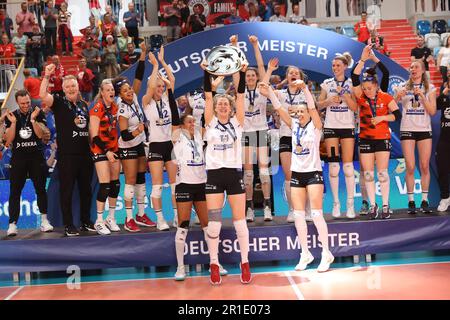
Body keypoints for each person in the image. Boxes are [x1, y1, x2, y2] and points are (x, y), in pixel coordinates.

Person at [262, 80, 335, 272]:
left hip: (313, 174)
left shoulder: (316, 127)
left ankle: (326, 253)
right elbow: (278, 108)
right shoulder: (293, 125)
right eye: (298, 112)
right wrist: (269, 92)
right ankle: (305, 253)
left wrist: (305, 90)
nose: (300, 113)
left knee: (317, 214)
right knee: (299, 215)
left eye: (303, 111)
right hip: (297, 175)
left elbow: (312, 107)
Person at [201, 60, 252, 285]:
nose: (222, 106)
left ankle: (245, 262)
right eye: (219, 103)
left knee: (240, 221)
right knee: (214, 223)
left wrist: (240, 72)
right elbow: (208, 96)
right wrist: (206, 73)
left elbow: (241, 97)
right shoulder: (210, 123)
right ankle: (214, 262)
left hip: (233, 175)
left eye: (225, 104)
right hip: (214, 175)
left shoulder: (237, 123)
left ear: (230, 109)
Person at [40, 67, 96, 236]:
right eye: (68, 87)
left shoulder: (83, 105)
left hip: (85, 155)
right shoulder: (58, 102)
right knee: (67, 191)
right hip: (67, 156)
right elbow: (43, 94)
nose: (71, 89)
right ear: (63, 89)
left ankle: (86, 221)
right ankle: (68, 225)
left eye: (73, 86)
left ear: (78, 87)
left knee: (86, 190)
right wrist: (47, 75)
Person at [351, 45, 402, 219]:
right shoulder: (360, 97)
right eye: (364, 88)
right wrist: (363, 58)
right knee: (367, 174)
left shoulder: (385, 97)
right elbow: (354, 76)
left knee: (382, 173)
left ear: (376, 85)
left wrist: (382, 119)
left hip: (382, 138)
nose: (366, 91)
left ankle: (386, 205)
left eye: (369, 88)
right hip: (365, 138)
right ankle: (373, 205)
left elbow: (397, 115)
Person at [234, 35, 276, 222]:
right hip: (245, 133)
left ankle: (267, 207)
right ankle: (249, 208)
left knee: (264, 171)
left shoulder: (262, 87)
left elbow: (260, 66)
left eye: (253, 75)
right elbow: (236, 70)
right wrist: (235, 46)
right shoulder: (240, 89)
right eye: (248, 75)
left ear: (257, 77)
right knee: (248, 173)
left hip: (260, 131)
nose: (250, 77)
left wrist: (255, 45)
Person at [113, 41, 154, 233]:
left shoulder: (135, 97)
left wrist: (143, 53)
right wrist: (138, 131)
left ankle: (141, 214)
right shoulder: (122, 109)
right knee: (129, 180)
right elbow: (124, 134)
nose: (130, 90)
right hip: (128, 146)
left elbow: (139, 75)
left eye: (129, 88)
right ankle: (129, 219)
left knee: (140, 179)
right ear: (120, 95)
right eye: (125, 90)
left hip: (139, 145)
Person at [3, 90, 54, 236]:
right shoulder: (12, 116)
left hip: (36, 157)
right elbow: (8, 140)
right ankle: (12, 225)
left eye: (28, 102)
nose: (26, 105)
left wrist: (32, 120)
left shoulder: (38, 113)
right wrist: (13, 124)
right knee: (15, 192)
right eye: (22, 103)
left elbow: (40, 135)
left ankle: (44, 221)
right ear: (17, 103)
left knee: (40, 189)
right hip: (18, 158)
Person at [317, 53, 358, 219]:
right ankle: (336, 203)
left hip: (347, 127)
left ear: (345, 66)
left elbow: (355, 107)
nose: (335, 68)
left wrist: (345, 95)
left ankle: (350, 204)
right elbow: (318, 105)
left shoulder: (352, 83)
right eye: (333, 66)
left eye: (338, 66)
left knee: (348, 168)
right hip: (331, 128)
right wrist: (328, 102)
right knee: (334, 167)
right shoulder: (327, 84)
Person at [395, 60, 436, 214]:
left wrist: (423, 97)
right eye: (411, 67)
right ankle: (411, 201)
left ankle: (424, 200)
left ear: (423, 70)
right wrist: (398, 96)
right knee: (410, 166)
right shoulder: (402, 86)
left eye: (416, 67)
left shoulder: (430, 88)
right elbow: (390, 105)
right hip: (407, 129)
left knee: (424, 165)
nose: (413, 69)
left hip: (424, 129)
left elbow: (432, 111)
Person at [143, 47, 177, 230]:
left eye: (162, 87)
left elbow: (172, 80)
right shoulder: (146, 101)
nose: (161, 88)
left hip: (169, 145)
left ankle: (178, 216)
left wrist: (163, 62)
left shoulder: (166, 98)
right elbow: (150, 86)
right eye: (158, 86)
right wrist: (155, 66)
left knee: (174, 185)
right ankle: (160, 219)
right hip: (155, 145)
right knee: (157, 186)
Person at [273, 65, 308, 222]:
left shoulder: (305, 94)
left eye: (296, 73)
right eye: (290, 73)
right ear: (287, 77)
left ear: (300, 76)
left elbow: (312, 112)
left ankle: (306, 210)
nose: (293, 74)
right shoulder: (280, 94)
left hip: (303, 137)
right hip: (286, 136)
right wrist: (278, 84)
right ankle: (292, 210)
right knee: (289, 176)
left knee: (304, 175)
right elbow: (263, 89)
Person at [89, 79, 121, 235]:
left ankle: (111, 217)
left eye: (113, 90)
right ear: (102, 92)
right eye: (108, 90)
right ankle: (99, 221)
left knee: (116, 184)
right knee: (105, 184)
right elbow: (94, 136)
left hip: (114, 148)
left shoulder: (115, 107)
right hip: (100, 150)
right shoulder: (97, 108)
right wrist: (106, 151)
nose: (111, 92)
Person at [436, 71, 450, 212]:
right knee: (443, 170)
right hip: (444, 140)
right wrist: (443, 94)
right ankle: (445, 197)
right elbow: (434, 108)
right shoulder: (444, 97)